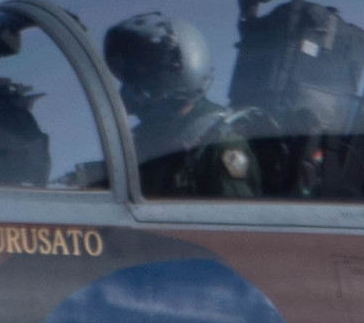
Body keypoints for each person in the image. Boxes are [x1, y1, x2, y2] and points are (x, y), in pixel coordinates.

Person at [102, 12, 261, 197]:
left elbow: (234, 214)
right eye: (132, 77)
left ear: (180, 71)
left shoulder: (217, 143)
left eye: (146, 76)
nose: (135, 88)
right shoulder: (141, 143)